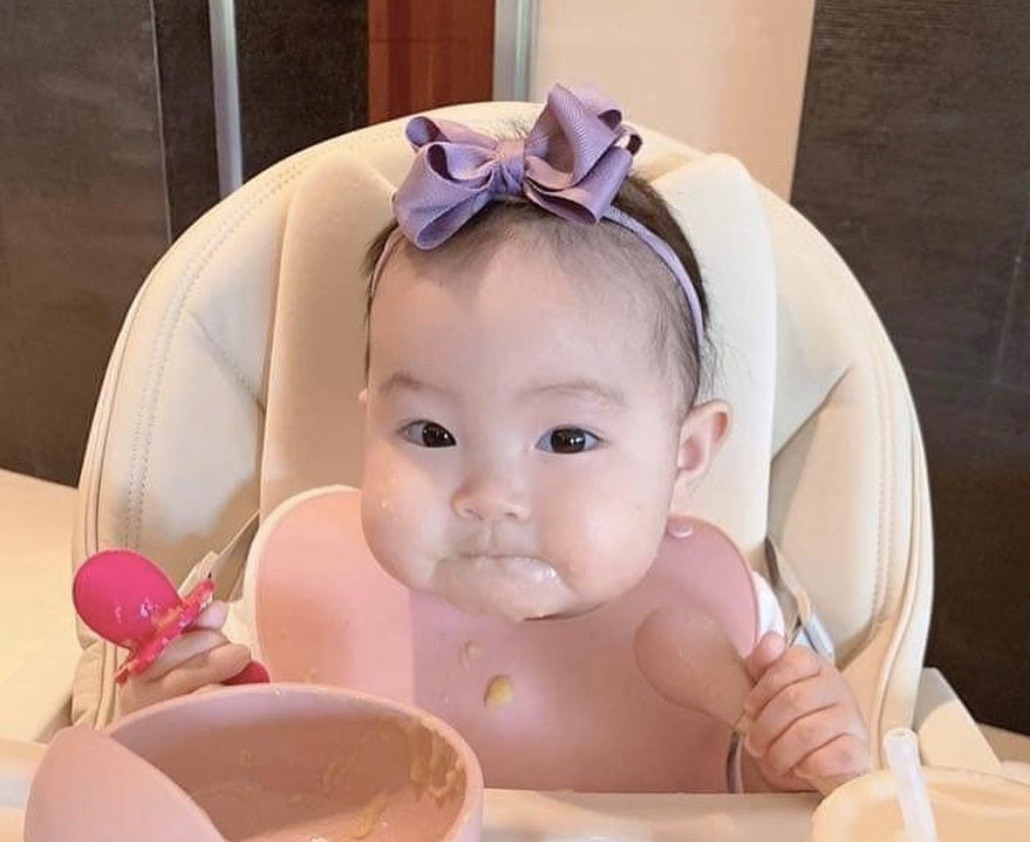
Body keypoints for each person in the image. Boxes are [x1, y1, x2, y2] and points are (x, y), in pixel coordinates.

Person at [117, 85, 869, 792]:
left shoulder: (730, 623)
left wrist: (798, 763)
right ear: (369, 425)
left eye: (567, 439)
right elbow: (207, 793)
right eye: (431, 432)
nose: (489, 497)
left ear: (686, 456)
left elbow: (761, 834)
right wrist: (166, 724)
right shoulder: (302, 590)